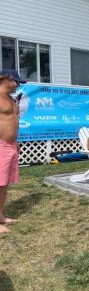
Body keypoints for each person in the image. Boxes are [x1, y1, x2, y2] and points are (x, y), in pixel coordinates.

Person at [0, 69, 26, 234]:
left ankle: (0, 216)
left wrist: (15, 143)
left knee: (4, 184)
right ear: (5, 79)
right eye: (16, 81)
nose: (18, 85)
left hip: (11, 145)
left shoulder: (12, 100)